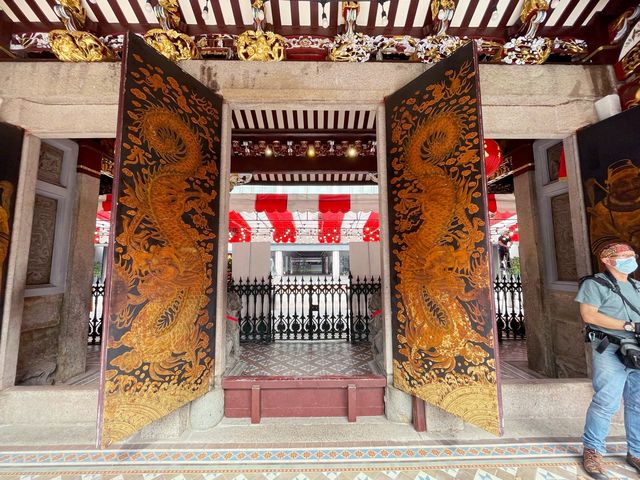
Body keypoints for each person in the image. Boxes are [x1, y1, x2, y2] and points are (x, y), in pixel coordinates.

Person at [575, 242, 640, 478]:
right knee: (606, 402)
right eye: (624, 256)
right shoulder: (594, 284)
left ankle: (637, 452)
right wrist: (628, 325)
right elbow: (588, 315)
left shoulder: (637, 286)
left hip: (638, 349)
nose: (630, 259)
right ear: (607, 260)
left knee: (638, 403)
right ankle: (593, 450)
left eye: (632, 255)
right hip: (611, 348)